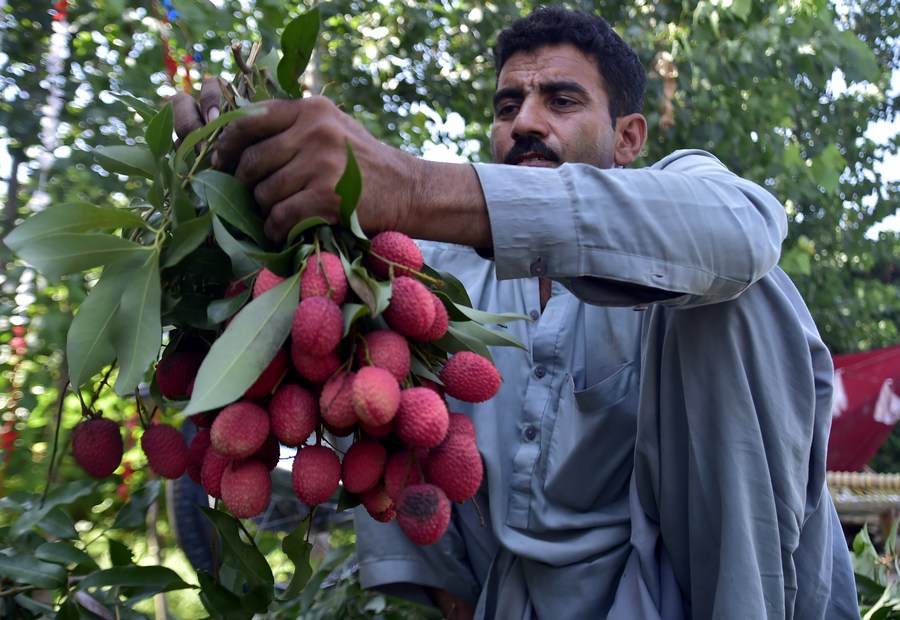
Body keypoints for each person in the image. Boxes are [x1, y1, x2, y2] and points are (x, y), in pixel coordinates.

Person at [174, 6, 859, 618]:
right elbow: (376, 406)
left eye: (561, 100)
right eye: (507, 106)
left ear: (628, 139)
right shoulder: (440, 273)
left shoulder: (692, 191)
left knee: (738, 290)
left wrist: (408, 184)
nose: (525, 121)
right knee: (370, 309)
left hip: (698, 595)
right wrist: (238, 186)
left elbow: (743, 231)